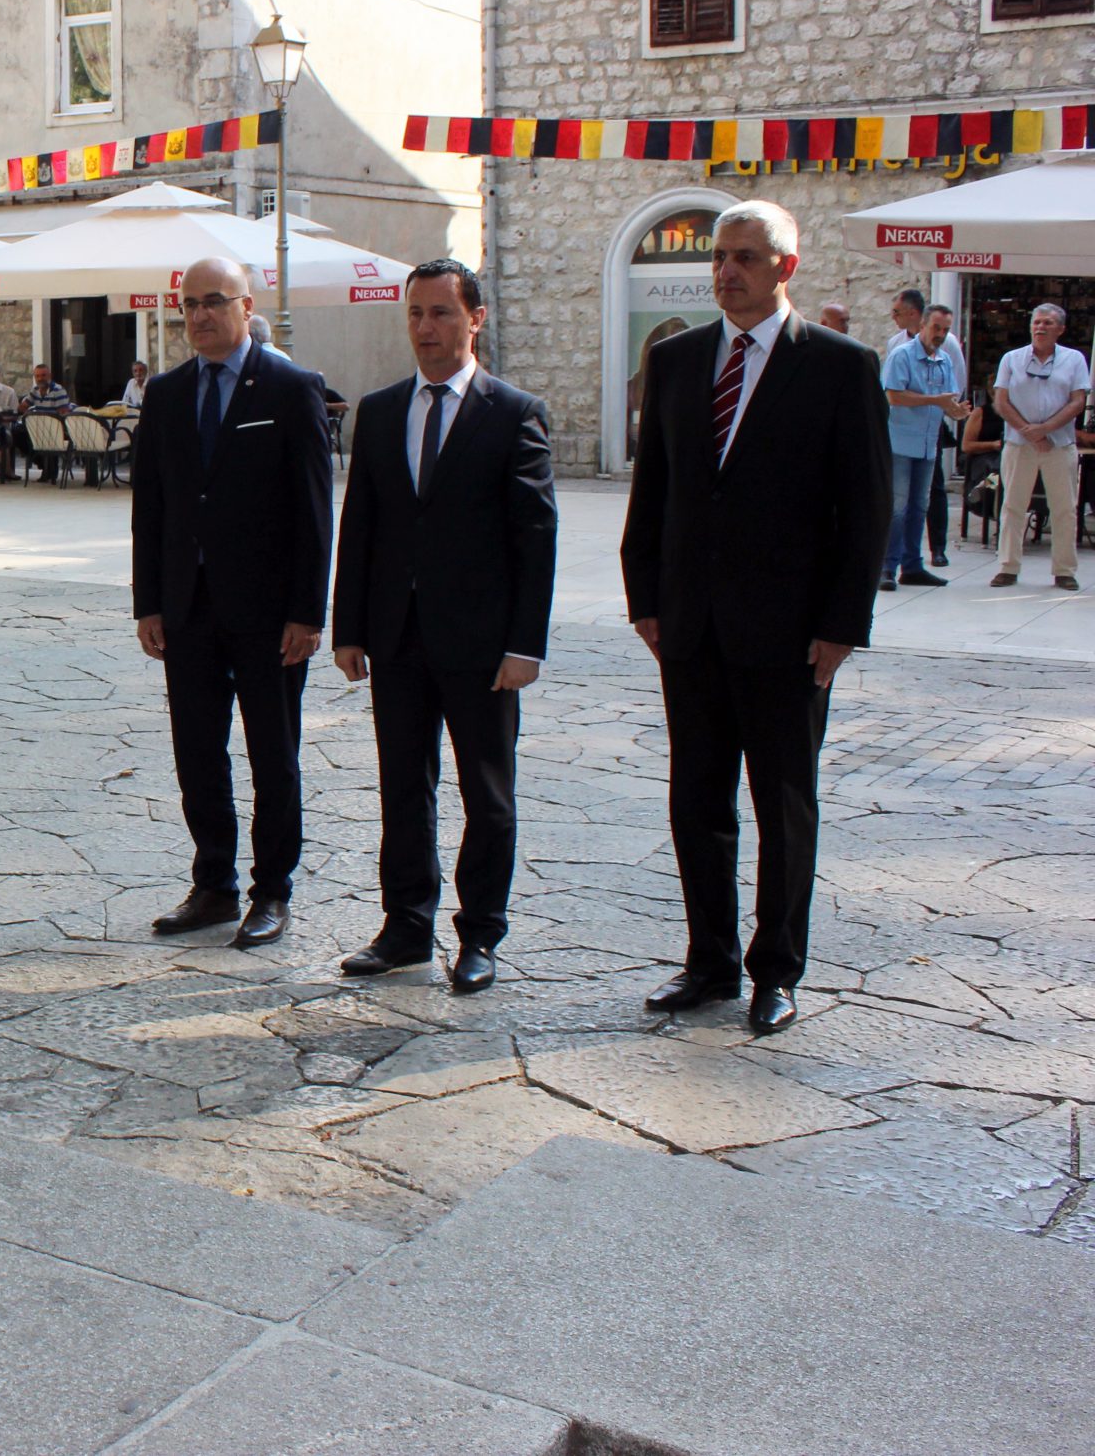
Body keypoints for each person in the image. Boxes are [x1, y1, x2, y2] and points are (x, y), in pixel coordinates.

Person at [620, 199, 890, 1036]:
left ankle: (777, 967)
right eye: (718, 257)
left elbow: (867, 506)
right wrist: (646, 599)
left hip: (789, 633)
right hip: (691, 627)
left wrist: (841, 624)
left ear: (785, 267)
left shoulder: (841, 367)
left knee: (782, 803)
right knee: (697, 798)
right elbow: (653, 491)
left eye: (743, 256)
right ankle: (709, 961)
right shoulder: (677, 361)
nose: (726, 271)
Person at [333, 259, 558, 996]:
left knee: (486, 793)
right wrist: (351, 627)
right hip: (397, 635)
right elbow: (361, 524)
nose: (427, 329)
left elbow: (535, 536)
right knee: (404, 786)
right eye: (416, 315)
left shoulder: (513, 411)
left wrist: (525, 644)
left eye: (442, 314)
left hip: (482, 643)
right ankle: (406, 927)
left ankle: (481, 934)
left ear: (475, 320)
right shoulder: (382, 408)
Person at [134, 256, 334, 950]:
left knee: (272, 752)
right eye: (187, 304)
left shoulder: (291, 387)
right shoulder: (166, 395)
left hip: (269, 613)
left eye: (213, 301)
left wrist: (309, 612)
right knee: (197, 749)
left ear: (248, 306)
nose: (198, 316)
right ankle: (213, 881)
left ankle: (272, 889)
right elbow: (150, 508)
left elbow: (314, 511)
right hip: (188, 609)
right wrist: (149, 603)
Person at [989, 303, 1088, 590]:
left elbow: (1077, 401)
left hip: (1059, 444)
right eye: (1036, 322)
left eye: (1047, 323)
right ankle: (1008, 566)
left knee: (1064, 508)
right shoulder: (1012, 358)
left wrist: (1045, 429)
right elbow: (1001, 400)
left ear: (1060, 329)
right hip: (1020, 443)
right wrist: (1029, 431)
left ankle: (1064, 570)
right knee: (1013, 505)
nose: (1040, 327)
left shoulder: (1074, 359)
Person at [878, 305, 968, 591]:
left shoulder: (944, 360)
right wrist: (936, 401)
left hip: (929, 444)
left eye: (945, 330)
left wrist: (957, 412)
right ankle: (886, 568)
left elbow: (948, 401)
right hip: (901, 443)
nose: (940, 335)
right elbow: (893, 395)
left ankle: (912, 566)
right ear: (922, 326)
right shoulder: (902, 355)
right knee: (897, 508)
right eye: (936, 328)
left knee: (920, 507)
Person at [20, 361, 76, 481]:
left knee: (47, 436)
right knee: (17, 433)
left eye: (43, 375)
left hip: (57, 429)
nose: (40, 378)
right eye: (38, 376)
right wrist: (27, 413)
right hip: (39, 429)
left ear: (49, 376)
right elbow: (23, 406)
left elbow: (63, 413)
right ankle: (42, 463)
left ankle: (49, 471)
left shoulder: (58, 390)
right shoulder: (35, 390)